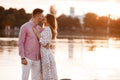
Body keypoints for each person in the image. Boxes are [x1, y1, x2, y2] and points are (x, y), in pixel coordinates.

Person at [18, 8, 44, 80]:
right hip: (27, 57)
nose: (43, 17)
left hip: (37, 59)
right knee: (25, 78)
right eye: (41, 15)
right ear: (37, 15)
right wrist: (22, 57)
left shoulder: (40, 28)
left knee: (35, 78)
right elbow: (20, 42)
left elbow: (43, 41)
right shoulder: (25, 27)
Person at [32, 14, 58, 80]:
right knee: (44, 73)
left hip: (45, 54)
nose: (44, 18)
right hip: (45, 53)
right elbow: (46, 41)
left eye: (46, 17)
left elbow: (43, 42)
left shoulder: (47, 30)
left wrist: (37, 33)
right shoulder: (46, 29)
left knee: (45, 73)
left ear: (49, 20)